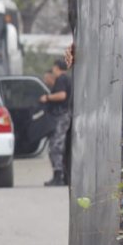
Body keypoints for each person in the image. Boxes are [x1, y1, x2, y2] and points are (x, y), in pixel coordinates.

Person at [41, 58, 72, 187]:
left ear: (56, 68)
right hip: (63, 115)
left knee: (56, 146)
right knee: (58, 146)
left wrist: (47, 97)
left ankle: (58, 176)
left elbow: (62, 95)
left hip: (61, 116)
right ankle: (61, 176)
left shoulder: (61, 79)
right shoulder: (67, 79)